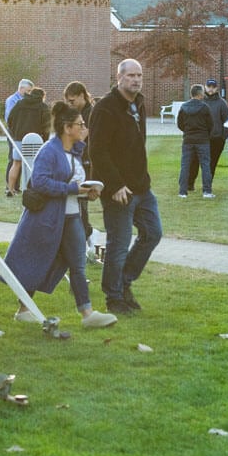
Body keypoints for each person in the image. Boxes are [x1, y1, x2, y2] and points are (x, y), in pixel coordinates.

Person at [4, 101, 116, 329]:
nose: (84, 128)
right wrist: (75, 190)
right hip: (48, 219)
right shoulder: (49, 151)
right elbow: (40, 182)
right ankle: (24, 308)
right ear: (67, 128)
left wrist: (87, 194)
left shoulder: (74, 152)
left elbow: (73, 185)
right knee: (37, 260)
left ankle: (87, 314)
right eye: (80, 124)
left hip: (72, 217)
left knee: (78, 265)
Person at [89, 59, 163, 315]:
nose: (136, 79)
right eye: (131, 75)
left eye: (139, 75)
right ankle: (114, 298)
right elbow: (97, 151)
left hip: (141, 187)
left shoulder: (138, 104)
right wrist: (115, 185)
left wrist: (140, 179)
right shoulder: (105, 109)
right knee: (118, 245)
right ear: (118, 78)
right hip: (118, 191)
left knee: (153, 233)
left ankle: (124, 282)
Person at [63, 81, 96, 237]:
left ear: (82, 96)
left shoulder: (90, 113)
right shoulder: (80, 113)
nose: (70, 104)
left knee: (81, 197)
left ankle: (85, 232)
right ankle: (84, 231)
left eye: (72, 101)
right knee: (79, 200)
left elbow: (83, 135)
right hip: (81, 158)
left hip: (87, 159)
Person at [187, 78, 228, 191]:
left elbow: (227, 121)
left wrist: (223, 137)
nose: (211, 89)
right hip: (200, 137)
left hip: (216, 139)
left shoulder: (222, 103)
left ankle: (207, 186)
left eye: (213, 87)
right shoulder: (199, 101)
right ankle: (189, 184)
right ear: (205, 87)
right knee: (194, 161)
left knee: (211, 164)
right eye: (209, 86)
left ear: (216, 88)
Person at [7, 87, 50, 196]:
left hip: (18, 138)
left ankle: (10, 189)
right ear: (42, 97)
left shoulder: (19, 104)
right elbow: (46, 126)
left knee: (16, 164)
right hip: (35, 140)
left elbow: (10, 119)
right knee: (35, 165)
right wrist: (45, 140)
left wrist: (14, 133)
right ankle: (33, 189)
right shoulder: (43, 107)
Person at [176, 84, 215, 198]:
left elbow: (180, 124)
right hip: (202, 140)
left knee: (185, 165)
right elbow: (211, 124)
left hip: (188, 139)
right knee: (205, 165)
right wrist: (204, 133)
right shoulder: (205, 107)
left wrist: (187, 131)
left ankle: (182, 192)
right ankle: (207, 191)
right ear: (200, 94)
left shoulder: (184, 107)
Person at [4, 79, 33, 195]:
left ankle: (16, 186)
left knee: (21, 160)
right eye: (28, 91)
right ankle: (9, 186)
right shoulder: (12, 100)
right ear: (21, 89)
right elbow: (9, 118)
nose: (29, 93)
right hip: (14, 132)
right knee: (13, 158)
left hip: (21, 133)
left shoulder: (24, 101)